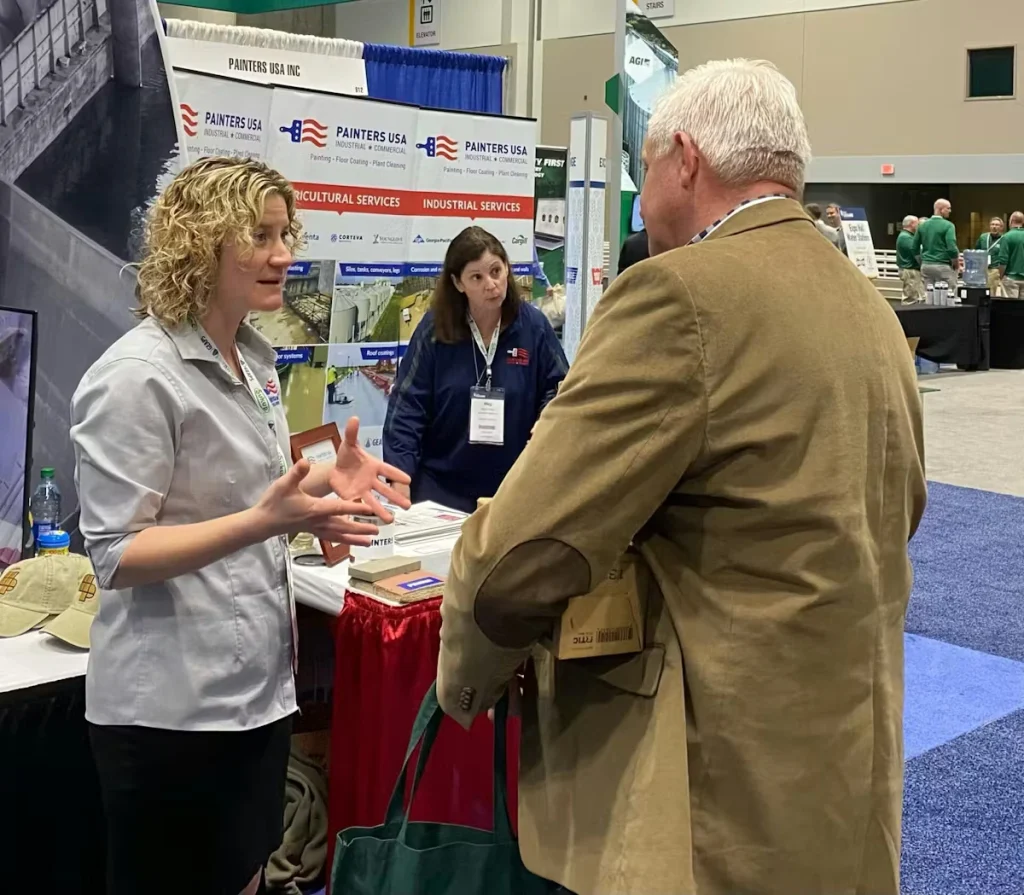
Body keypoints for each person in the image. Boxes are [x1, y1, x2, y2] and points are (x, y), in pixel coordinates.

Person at [435, 58, 926, 895]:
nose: (641, 188)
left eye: (645, 166)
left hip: (712, 787)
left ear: (685, 160)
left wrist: (462, 678)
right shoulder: (867, 305)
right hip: (849, 771)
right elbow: (903, 502)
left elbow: (523, 552)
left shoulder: (678, 297)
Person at [70, 157, 411, 895]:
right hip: (170, 717)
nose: (284, 253)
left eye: (286, 232)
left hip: (254, 696)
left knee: (247, 875)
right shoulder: (136, 376)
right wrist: (264, 520)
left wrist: (319, 485)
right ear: (202, 241)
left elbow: (242, 496)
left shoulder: (252, 359)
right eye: (260, 235)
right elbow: (120, 551)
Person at [383, 226, 568, 513]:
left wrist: (547, 419)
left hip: (514, 489)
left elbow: (559, 389)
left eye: (496, 271)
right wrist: (400, 480)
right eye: (477, 277)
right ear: (458, 283)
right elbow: (407, 407)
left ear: (507, 268)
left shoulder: (533, 327)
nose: (491, 284)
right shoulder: (435, 330)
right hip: (439, 492)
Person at [915, 198, 960, 290]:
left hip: (926, 266)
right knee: (949, 294)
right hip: (943, 265)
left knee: (929, 295)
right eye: (948, 208)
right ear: (941, 209)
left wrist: (922, 261)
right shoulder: (948, 225)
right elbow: (951, 247)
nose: (950, 211)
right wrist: (956, 263)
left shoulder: (922, 226)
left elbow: (914, 247)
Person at [896, 215, 925, 301]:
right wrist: (923, 265)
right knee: (911, 297)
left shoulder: (908, 236)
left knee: (916, 295)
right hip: (910, 271)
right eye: (917, 223)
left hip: (911, 271)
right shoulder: (906, 237)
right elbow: (916, 252)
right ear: (912, 224)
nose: (919, 226)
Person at [996, 211, 1024, 298]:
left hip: (1011, 279)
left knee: (1011, 308)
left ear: (1011, 221)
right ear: (1023, 222)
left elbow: (1003, 260)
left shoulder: (1007, 237)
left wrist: (1000, 277)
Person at [976, 216, 1006, 296]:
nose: (994, 227)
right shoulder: (983, 237)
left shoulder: (1004, 239)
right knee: (979, 292)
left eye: (997, 225)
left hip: (994, 269)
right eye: (992, 224)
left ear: (1001, 227)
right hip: (981, 269)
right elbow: (977, 250)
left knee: (990, 293)